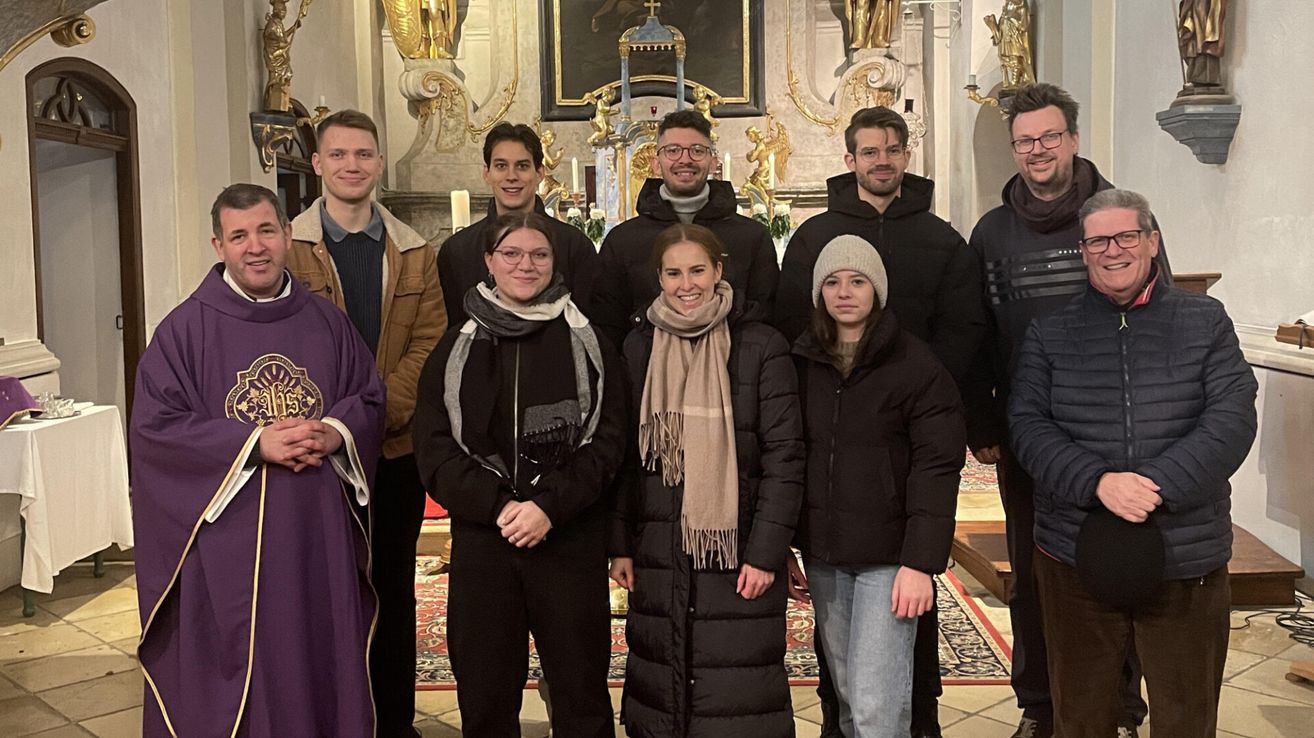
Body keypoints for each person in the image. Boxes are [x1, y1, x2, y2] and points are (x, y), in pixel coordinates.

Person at [130, 184, 385, 736]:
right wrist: (252, 444)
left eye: (267, 230)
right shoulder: (183, 332)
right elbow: (156, 432)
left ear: (288, 236)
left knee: (319, 661)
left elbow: (367, 396)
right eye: (239, 236)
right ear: (217, 245)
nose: (256, 247)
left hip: (319, 537)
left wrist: (335, 432)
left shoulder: (327, 321)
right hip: (232, 548)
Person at [1009, 188, 1257, 736]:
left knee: (1185, 717)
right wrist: (1097, 481)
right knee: (1082, 716)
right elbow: (1027, 425)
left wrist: (1156, 483)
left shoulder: (1205, 321)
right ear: (1083, 250)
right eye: (1098, 240)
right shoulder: (1051, 331)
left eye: (1125, 236)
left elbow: (1232, 419)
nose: (1112, 250)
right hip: (1074, 552)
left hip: (1183, 552)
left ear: (1152, 241)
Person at [964, 83, 1171, 738]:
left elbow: (1160, 314)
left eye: (1050, 136)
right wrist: (984, 420)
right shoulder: (993, 233)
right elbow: (980, 334)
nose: (1038, 150)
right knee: (1034, 577)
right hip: (1031, 439)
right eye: (1025, 140)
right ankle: (1040, 704)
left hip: (1120, 432)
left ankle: (1122, 708)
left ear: (1073, 140)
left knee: (1120, 571)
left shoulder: (1117, 216)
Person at [776, 105, 985, 738]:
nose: (883, 159)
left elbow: (966, 325)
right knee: (845, 678)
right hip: (831, 532)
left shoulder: (941, 239)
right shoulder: (815, 239)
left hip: (896, 494)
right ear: (851, 160)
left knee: (884, 685)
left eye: (893, 148)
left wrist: (901, 385)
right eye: (870, 150)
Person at [413, 212, 627, 737]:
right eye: (511, 254)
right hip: (487, 538)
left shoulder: (588, 341)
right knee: (486, 693)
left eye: (538, 255)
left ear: (555, 263)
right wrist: (499, 506)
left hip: (566, 535)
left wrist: (548, 506)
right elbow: (434, 447)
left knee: (580, 693)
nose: (525, 265)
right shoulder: (455, 346)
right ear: (489, 261)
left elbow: (608, 441)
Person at [285, 109, 446, 738]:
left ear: (379, 163)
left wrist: (368, 415)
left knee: (391, 592)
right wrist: (329, 426)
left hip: (394, 450)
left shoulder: (413, 250)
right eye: (339, 155)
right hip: (313, 452)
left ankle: (394, 724)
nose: (352, 165)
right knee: (317, 593)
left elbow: (429, 344)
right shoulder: (287, 244)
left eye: (364, 154)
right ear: (319, 164)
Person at [610, 223, 803, 737]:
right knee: (662, 687)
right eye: (673, 272)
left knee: (737, 696)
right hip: (658, 545)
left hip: (736, 550)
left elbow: (785, 458)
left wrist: (765, 552)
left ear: (719, 271)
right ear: (659, 279)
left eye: (697, 269)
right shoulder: (638, 346)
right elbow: (626, 457)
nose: (686, 283)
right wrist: (621, 543)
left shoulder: (761, 345)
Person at [787, 236, 964, 737]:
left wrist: (919, 563)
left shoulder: (916, 365)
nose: (845, 292)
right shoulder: (802, 361)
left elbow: (937, 466)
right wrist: (783, 542)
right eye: (833, 282)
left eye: (858, 281)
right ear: (819, 292)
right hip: (824, 554)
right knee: (845, 699)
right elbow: (786, 455)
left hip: (890, 559)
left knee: (876, 706)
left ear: (878, 291)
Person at [591, 110, 780, 349]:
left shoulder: (752, 237)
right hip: (648, 373)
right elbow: (609, 326)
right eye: (672, 150)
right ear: (656, 163)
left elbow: (766, 317)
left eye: (697, 150)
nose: (685, 159)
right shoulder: (623, 241)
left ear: (713, 161)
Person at [438, 121, 599, 328]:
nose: (511, 176)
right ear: (486, 173)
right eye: (501, 166)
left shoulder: (574, 246)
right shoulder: (457, 251)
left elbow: (588, 326)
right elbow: (451, 328)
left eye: (522, 166)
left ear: (539, 173)